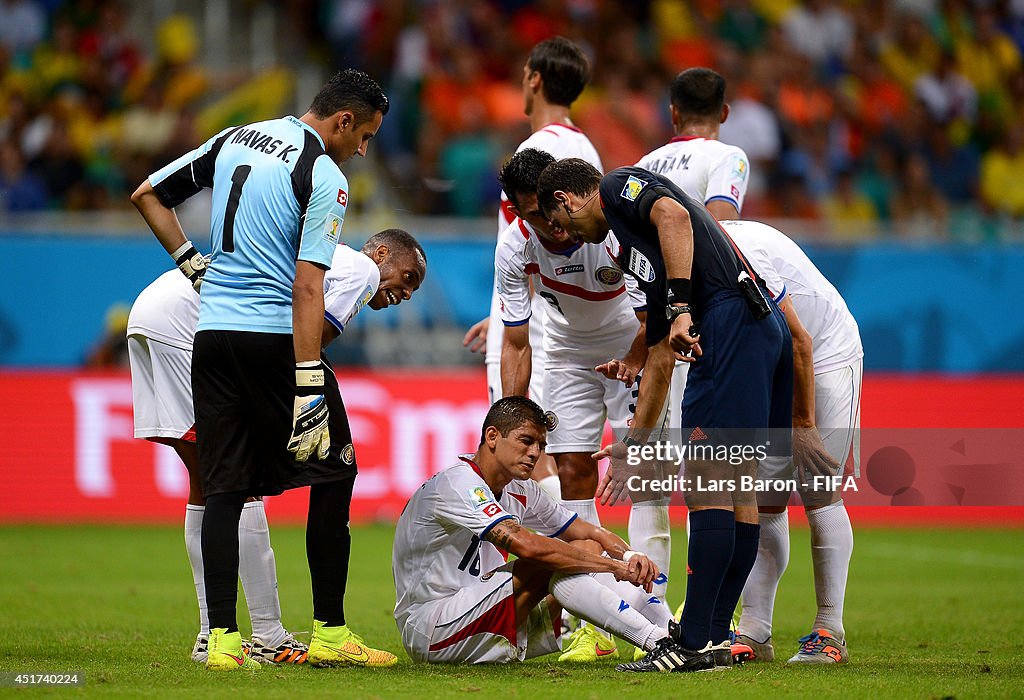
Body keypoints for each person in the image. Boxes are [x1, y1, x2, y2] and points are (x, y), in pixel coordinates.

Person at [130, 68, 394, 671]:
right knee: (335, 476)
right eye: (367, 136)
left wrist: (193, 265)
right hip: (271, 337)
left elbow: (148, 192)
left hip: (213, 336)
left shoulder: (235, 138)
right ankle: (330, 632)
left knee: (225, 487)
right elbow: (307, 287)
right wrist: (307, 380)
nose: (363, 150)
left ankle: (222, 641)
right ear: (343, 120)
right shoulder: (323, 173)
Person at [537, 159, 793, 672]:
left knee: (708, 483)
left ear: (567, 200)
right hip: (756, 329)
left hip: (728, 323)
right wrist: (634, 445)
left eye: (561, 224)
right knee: (736, 489)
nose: (570, 237)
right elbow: (656, 358)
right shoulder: (639, 254)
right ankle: (715, 636)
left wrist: (679, 308)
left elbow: (675, 216)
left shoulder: (615, 189)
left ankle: (692, 643)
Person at [127, 229, 426, 665]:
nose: (406, 291)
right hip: (189, 324)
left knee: (208, 484)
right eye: (406, 276)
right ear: (380, 253)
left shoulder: (322, 258)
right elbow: (307, 342)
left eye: (413, 287)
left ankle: (212, 635)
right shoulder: (360, 269)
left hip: (159, 311)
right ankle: (267, 635)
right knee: (235, 480)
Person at [495, 148, 670, 660]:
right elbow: (517, 341)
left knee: (645, 475)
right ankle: (591, 622)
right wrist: (512, 413)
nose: (548, 224)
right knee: (572, 468)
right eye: (531, 214)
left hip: (634, 345)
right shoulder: (515, 245)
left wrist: (634, 363)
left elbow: (649, 318)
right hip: (568, 353)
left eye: (548, 209)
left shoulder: (607, 227)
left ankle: (650, 607)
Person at [392, 396, 701, 672]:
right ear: (492, 437)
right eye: (526, 441)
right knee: (548, 559)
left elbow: (586, 531)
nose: (535, 453)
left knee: (584, 546)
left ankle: (676, 635)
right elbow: (529, 547)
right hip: (432, 628)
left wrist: (629, 555)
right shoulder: (457, 485)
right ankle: (658, 642)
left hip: (479, 609)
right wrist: (615, 567)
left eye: (540, 445)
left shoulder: (519, 487)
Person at [463, 36, 603, 502]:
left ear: (534, 79)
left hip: (540, 322)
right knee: (549, 448)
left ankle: (548, 546)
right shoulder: (585, 146)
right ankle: (563, 547)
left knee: (523, 444)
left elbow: (523, 248)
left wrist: (507, 308)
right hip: (566, 310)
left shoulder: (534, 157)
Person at [719, 220, 861, 665]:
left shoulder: (734, 250)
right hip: (773, 359)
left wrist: (801, 422)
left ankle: (829, 629)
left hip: (824, 352)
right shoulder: (677, 255)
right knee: (765, 500)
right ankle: (756, 632)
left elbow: (800, 338)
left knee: (819, 487)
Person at [636, 67, 751, 436]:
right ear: (724, 112)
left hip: (648, 323)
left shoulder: (641, 166)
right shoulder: (728, 157)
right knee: (706, 461)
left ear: (672, 112)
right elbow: (721, 227)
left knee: (650, 464)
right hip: (697, 324)